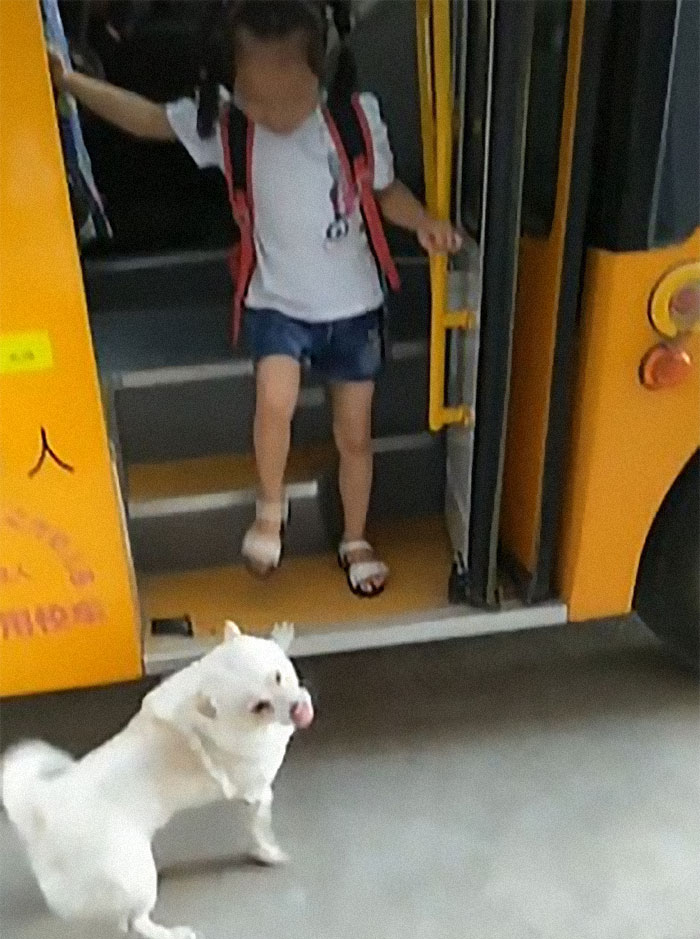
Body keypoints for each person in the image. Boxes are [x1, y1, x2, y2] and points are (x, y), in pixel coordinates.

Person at [49, 0, 460, 597]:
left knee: (355, 433)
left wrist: (422, 223)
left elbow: (386, 188)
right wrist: (71, 81)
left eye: (287, 98)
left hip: (354, 305)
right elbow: (148, 120)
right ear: (229, 85)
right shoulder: (230, 125)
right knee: (274, 401)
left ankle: (355, 538)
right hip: (277, 302)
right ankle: (270, 512)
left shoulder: (352, 121)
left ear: (324, 76)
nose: (269, 114)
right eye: (252, 98)